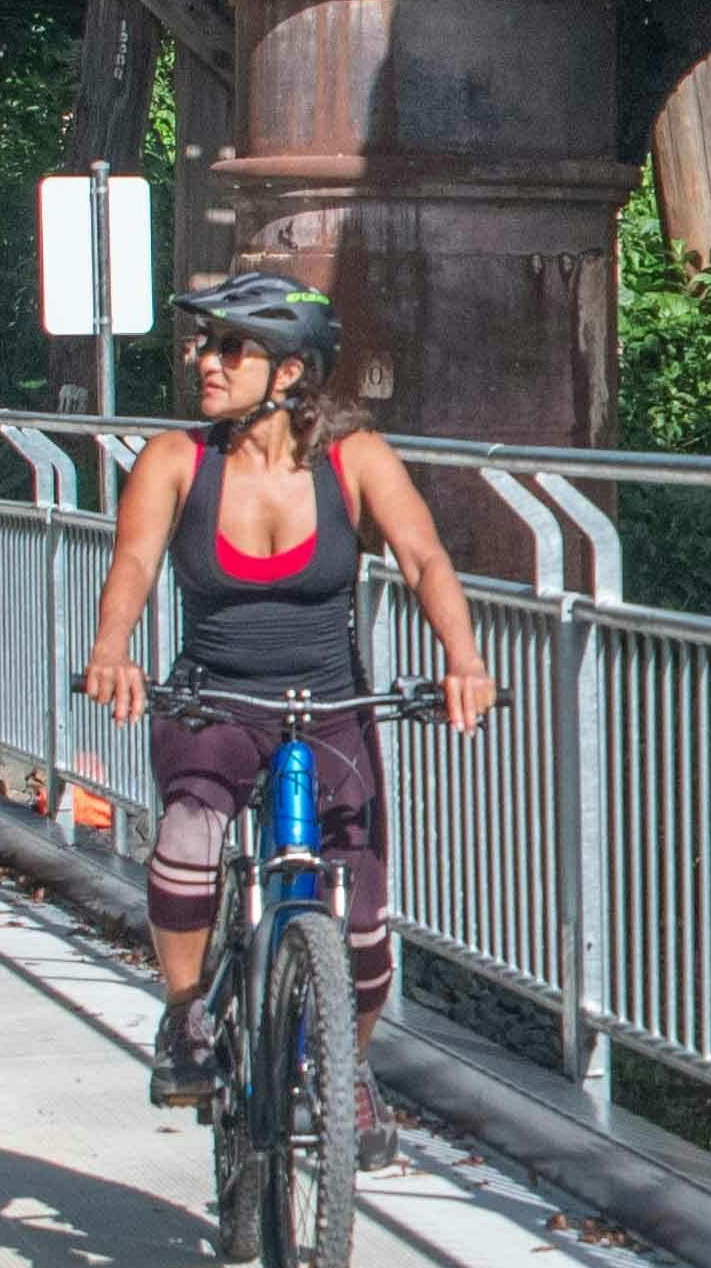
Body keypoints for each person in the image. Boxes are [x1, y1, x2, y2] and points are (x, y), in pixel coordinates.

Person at [74, 268, 489, 1108]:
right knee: (190, 833)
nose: (208, 363)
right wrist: (111, 648)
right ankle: (187, 1016)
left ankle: (348, 1068)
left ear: (289, 373)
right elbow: (133, 565)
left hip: (329, 705)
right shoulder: (176, 461)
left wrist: (465, 660)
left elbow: (423, 558)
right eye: (206, 345)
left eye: (233, 349)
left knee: (365, 930)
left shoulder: (354, 459)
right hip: (214, 700)